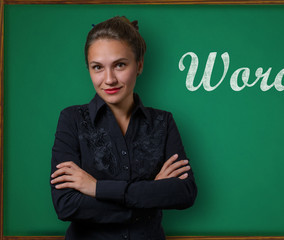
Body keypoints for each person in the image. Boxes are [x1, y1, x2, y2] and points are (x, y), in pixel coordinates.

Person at [50, 16, 197, 240]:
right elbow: (66, 206)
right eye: (97, 67)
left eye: (120, 65)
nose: (109, 79)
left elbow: (184, 193)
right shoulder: (71, 119)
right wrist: (151, 193)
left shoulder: (163, 122)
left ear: (139, 65)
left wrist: (97, 188)